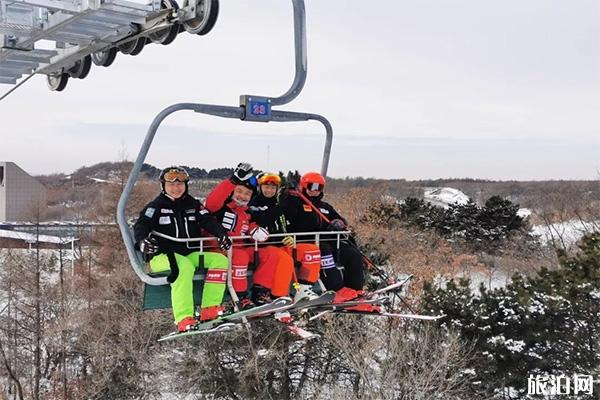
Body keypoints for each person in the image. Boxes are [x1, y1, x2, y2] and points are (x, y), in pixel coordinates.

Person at [134, 166, 233, 332]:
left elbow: (207, 220)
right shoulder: (156, 206)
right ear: (163, 186)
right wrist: (142, 241)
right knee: (183, 266)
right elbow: (142, 225)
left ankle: (210, 308)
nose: (176, 188)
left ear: (185, 185)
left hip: (188, 253)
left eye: (180, 184)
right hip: (162, 256)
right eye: (171, 184)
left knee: (220, 260)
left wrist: (221, 234)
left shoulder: (192, 204)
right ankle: (184, 318)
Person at [283, 172, 375, 309]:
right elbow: (287, 214)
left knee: (352, 253)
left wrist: (338, 223)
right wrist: (290, 195)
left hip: (329, 241)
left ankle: (355, 290)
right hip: (307, 242)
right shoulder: (296, 203)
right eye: (311, 186)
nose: (314, 190)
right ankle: (336, 289)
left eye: (318, 187)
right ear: (303, 186)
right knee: (324, 250)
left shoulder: (324, 207)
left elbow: (341, 220)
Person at [204, 162, 274, 309]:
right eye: (239, 191)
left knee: (269, 254)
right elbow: (212, 202)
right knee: (240, 255)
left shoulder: (246, 213)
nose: (243, 196)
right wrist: (233, 180)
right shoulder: (221, 207)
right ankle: (240, 297)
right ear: (232, 191)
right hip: (218, 248)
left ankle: (261, 292)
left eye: (247, 194)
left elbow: (249, 227)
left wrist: (256, 231)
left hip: (239, 248)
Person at [249, 172, 321, 302]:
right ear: (260, 188)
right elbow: (265, 219)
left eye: (272, 188)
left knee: (312, 250)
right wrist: (282, 205)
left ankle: (304, 289)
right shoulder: (254, 203)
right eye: (266, 187)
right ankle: (279, 296)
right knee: (285, 260)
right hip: (263, 246)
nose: (269, 190)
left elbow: (294, 218)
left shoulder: (279, 203)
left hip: (282, 243)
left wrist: (293, 195)